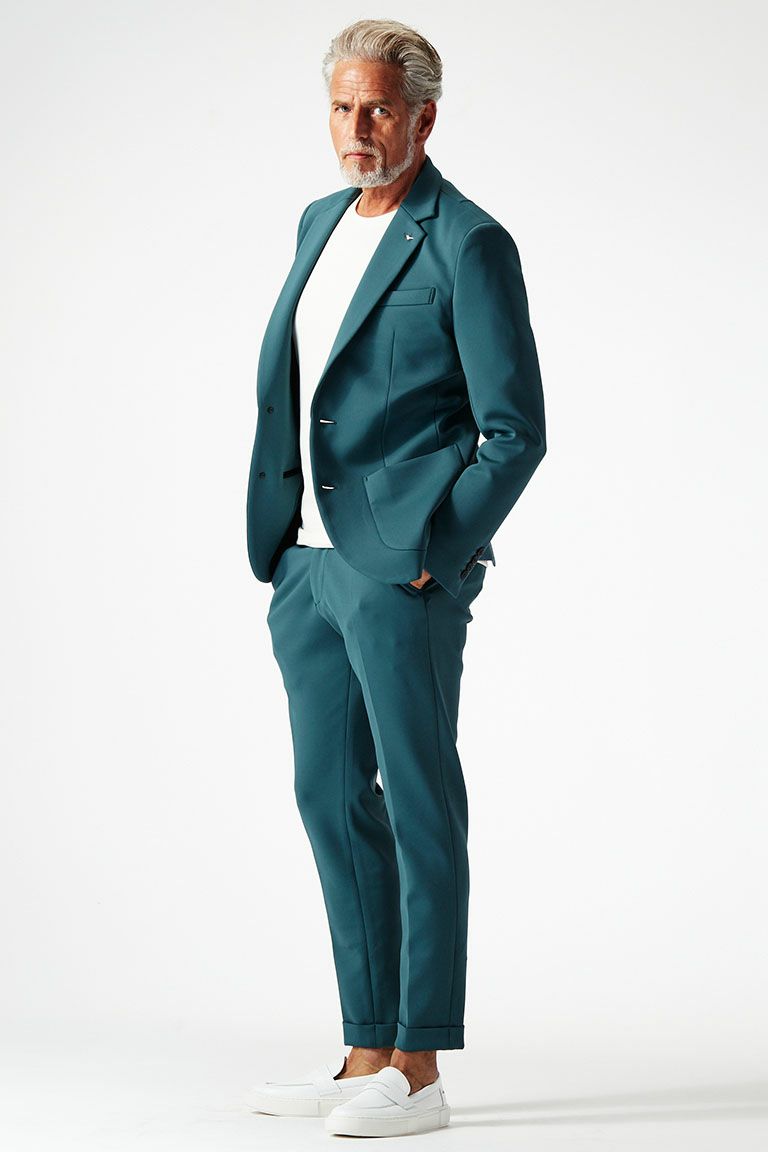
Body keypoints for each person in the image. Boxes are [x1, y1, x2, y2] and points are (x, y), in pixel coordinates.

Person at [245, 18, 546, 1139]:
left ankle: (419, 1069)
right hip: (307, 564)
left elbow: (515, 431)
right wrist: (287, 539)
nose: (356, 128)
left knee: (419, 805)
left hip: (398, 571)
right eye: (341, 107)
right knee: (328, 797)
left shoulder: (469, 242)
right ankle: (365, 1047)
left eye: (377, 107)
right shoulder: (318, 223)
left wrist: (434, 552)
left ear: (424, 115)